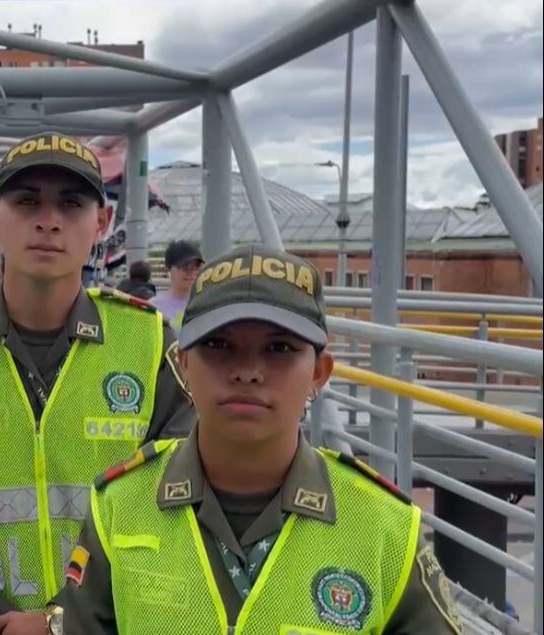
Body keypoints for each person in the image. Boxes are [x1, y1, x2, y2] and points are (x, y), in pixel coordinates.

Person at [43, 244, 461, 635]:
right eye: (219, 345)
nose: (247, 371)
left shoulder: (385, 528)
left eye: (279, 348)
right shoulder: (120, 506)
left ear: (319, 373)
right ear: (184, 364)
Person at [0, 132, 195, 635]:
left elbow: (176, 502)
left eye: (70, 203)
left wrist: (61, 622)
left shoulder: (149, 342)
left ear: (103, 221)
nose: (48, 220)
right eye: (27, 202)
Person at [151, 239, 203, 332]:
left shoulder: (205, 303)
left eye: (196, 267)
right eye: (185, 267)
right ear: (169, 269)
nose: (191, 273)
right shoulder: (154, 307)